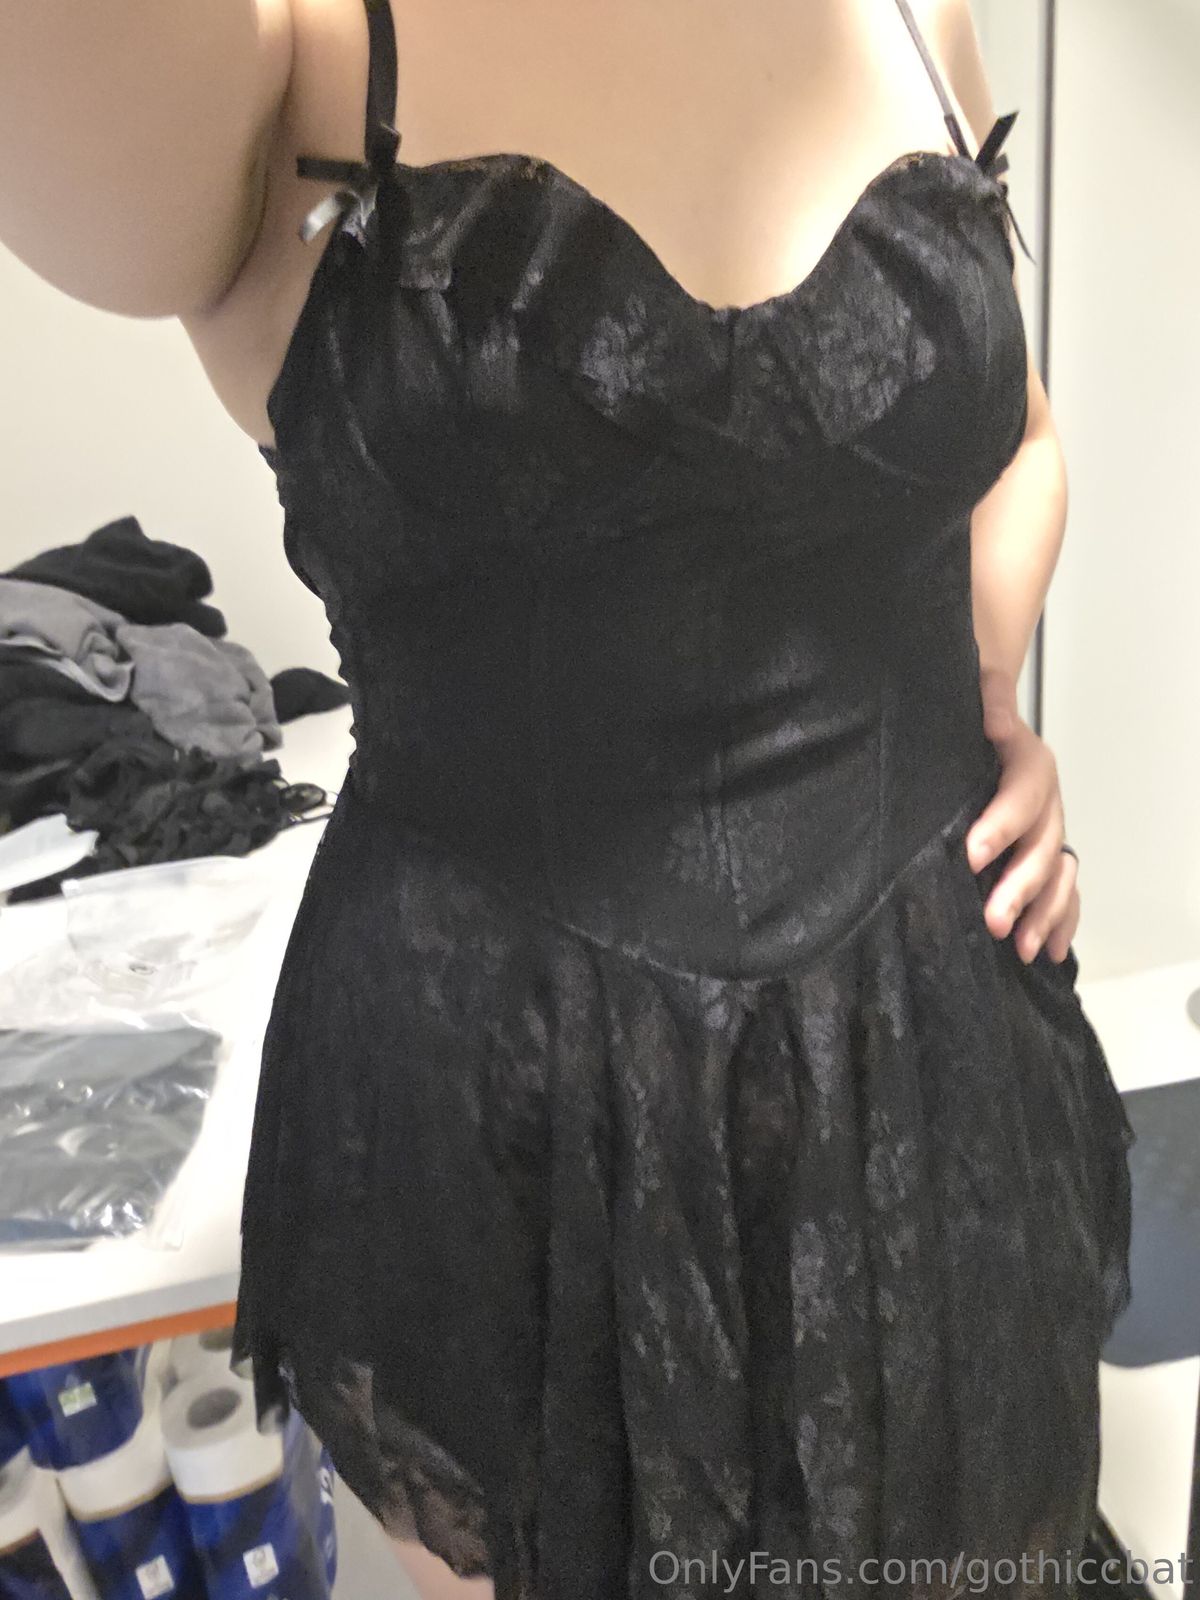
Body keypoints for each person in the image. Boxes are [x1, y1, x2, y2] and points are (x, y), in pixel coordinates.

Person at [0, 1, 1135, 1596]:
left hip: (938, 1047)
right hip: (522, 1121)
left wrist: (990, 687)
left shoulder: (909, 13)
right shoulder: (279, 49)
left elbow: (1016, 436)